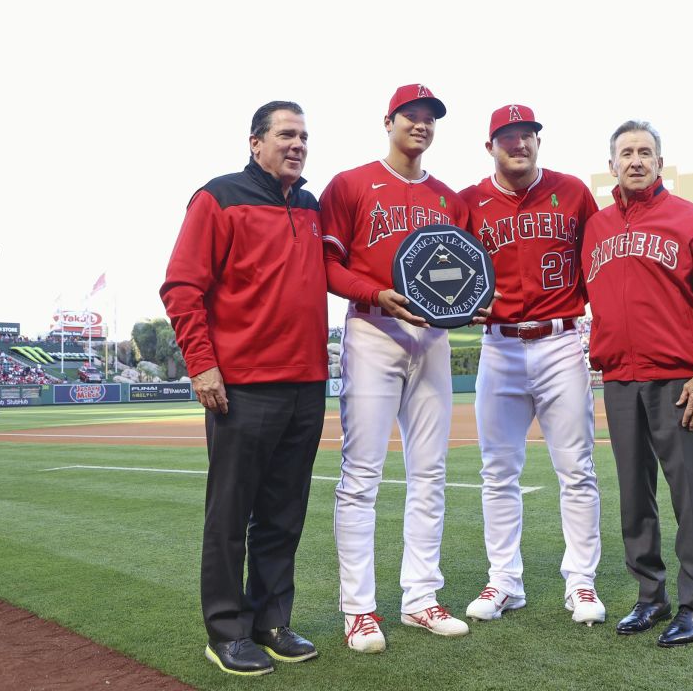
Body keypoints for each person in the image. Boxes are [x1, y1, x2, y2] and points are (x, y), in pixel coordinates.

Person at [160, 101, 328, 677]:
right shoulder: (219, 197)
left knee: (284, 514)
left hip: (306, 384)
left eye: (304, 136)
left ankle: (270, 622)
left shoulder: (309, 206)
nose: (298, 144)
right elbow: (181, 287)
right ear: (255, 143)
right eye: (286, 134)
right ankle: (226, 631)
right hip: (244, 387)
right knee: (231, 515)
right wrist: (203, 366)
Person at [582, 120, 693, 647]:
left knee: (691, 496)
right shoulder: (598, 227)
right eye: (626, 153)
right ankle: (649, 597)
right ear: (612, 164)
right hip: (619, 379)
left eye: (645, 152)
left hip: (679, 379)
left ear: (659, 162)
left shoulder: (689, 219)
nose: (636, 160)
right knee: (635, 497)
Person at [320, 84, 473, 652]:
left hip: (430, 337)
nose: (421, 124)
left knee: (430, 473)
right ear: (388, 121)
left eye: (430, 118)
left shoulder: (449, 199)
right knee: (362, 475)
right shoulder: (351, 185)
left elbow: (463, 272)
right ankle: (358, 610)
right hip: (371, 329)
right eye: (411, 116)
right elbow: (327, 264)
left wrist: (466, 309)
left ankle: (420, 599)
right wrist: (374, 293)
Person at [458, 104, 605, 626]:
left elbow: (599, 265)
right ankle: (504, 581)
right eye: (507, 136)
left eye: (527, 135)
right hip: (498, 346)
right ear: (490, 145)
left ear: (538, 141)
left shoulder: (573, 192)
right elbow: (448, 268)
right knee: (498, 472)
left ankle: (581, 582)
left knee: (576, 469)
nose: (518, 144)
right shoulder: (469, 201)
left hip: (561, 341)